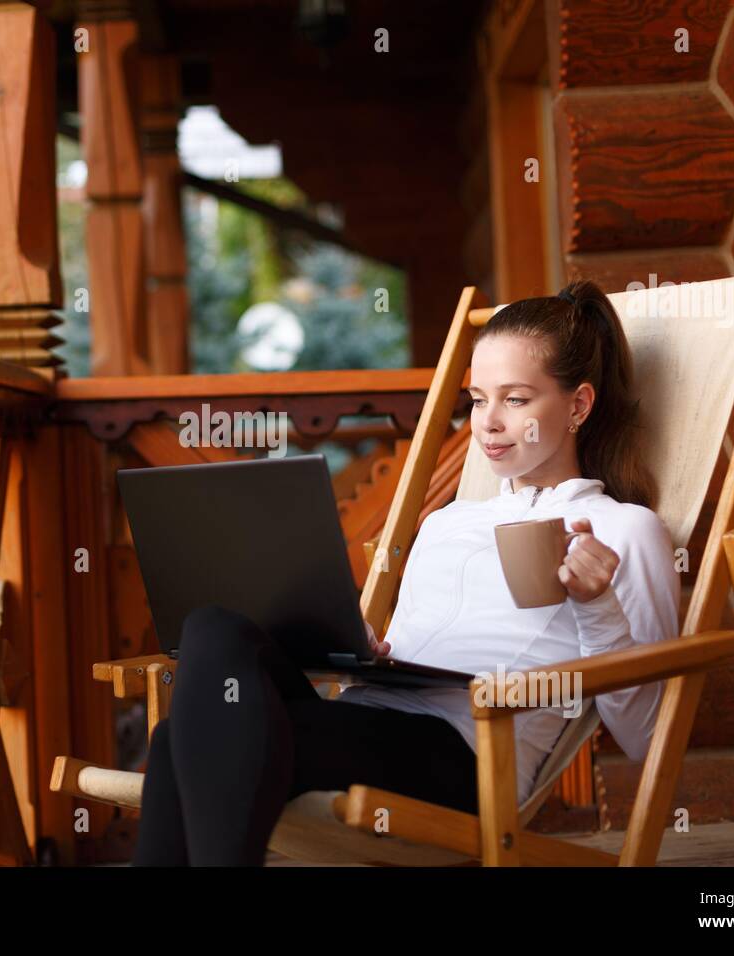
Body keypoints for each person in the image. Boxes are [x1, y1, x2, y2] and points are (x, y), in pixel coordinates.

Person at [131, 280, 681, 866]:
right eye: (477, 399)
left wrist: (597, 608)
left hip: (464, 755)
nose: (487, 423)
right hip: (365, 718)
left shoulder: (620, 530)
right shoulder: (447, 522)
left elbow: (648, 735)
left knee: (177, 743)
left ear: (578, 405)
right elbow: (408, 646)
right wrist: (351, 646)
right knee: (215, 628)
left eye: (516, 400)